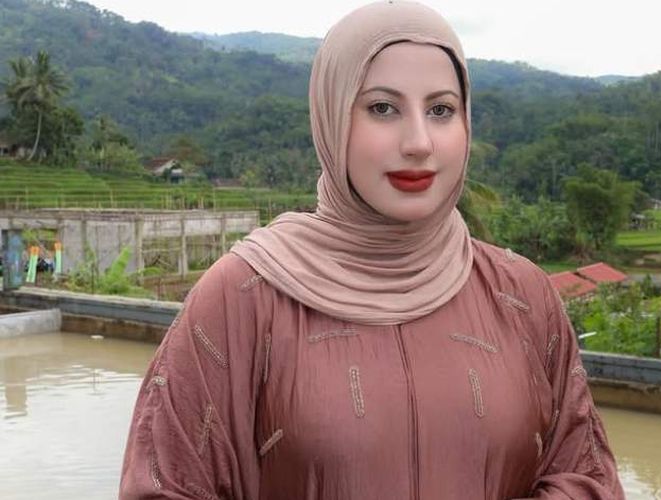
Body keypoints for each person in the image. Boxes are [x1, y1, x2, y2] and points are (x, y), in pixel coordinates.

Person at [119, 2, 625, 498]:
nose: (419, 142)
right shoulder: (243, 296)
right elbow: (168, 483)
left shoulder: (522, 294)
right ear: (332, 118)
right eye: (383, 108)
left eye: (441, 110)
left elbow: (584, 473)